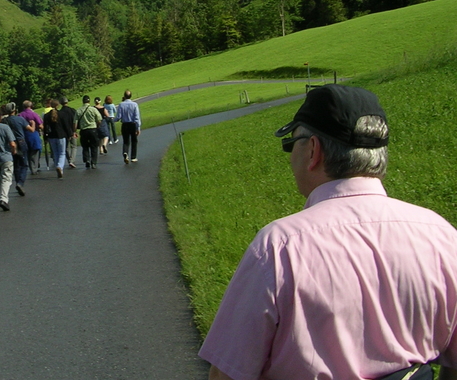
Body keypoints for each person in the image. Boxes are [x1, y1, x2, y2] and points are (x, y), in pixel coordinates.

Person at [200, 85, 457, 380]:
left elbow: (226, 374)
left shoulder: (280, 247)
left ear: (313, 150)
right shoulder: (441, 235)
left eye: (291, 144)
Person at [2, 102, 30, 197]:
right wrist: (33, 124)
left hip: (10, 143)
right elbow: (29, 128)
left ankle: (18, 182)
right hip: (20, 142)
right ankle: (20, 183)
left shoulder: (4, 121)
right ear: (14, 110)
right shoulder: (20, 119)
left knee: (16, 165)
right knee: (24, 164)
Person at [42, 98, 72, 178]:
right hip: (61, 135)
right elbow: (66, 126)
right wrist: (69, 135)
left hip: (51, 136)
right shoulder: (62, 114)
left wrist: (45, 137)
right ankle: (59, 166)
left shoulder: (46, 116)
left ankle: (57, 167)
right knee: (62, 153)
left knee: (55, 153)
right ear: (58, 105)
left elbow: (45, 128)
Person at [74, 95, 103, 169]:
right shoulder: (93, 109)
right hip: (93, 129)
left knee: (85, 146)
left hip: (84, 130)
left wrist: (75, 131)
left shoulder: (78, 110)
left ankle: (87, 159)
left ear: (83, 101)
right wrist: (97, 126)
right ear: (89, 101)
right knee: (94, 146)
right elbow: (99, 119)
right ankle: (93, 162)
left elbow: (75, 123)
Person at [115, 90, 141, 163]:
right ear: (131, 96)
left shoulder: (121, 104)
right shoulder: (134, 104)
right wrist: (138, 127)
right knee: (134, 140)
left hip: (125, 125)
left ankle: (125, 152)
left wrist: (113, 120)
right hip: (132, 124)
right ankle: (133, 157)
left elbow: (118, 116)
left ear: (124, 96)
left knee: (126, 141)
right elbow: (137, 117)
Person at [19, 100, 44, 174]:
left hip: (24, 135)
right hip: (33, 134)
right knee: (35, 152)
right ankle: (34, 168)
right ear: (30, 106)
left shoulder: (20, 115)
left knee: (29, 152)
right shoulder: (34, 114)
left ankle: (32, 167)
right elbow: (40, 125)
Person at [60, 96, 78, 169]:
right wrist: (75, 130)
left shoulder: (60, 112)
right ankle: (72, 160)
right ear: (67, 102)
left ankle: (69, 159)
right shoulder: (72, 110)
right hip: (72, 130)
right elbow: (76, 121)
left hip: (64, 131)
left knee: (66, 147)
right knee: (74, 146)